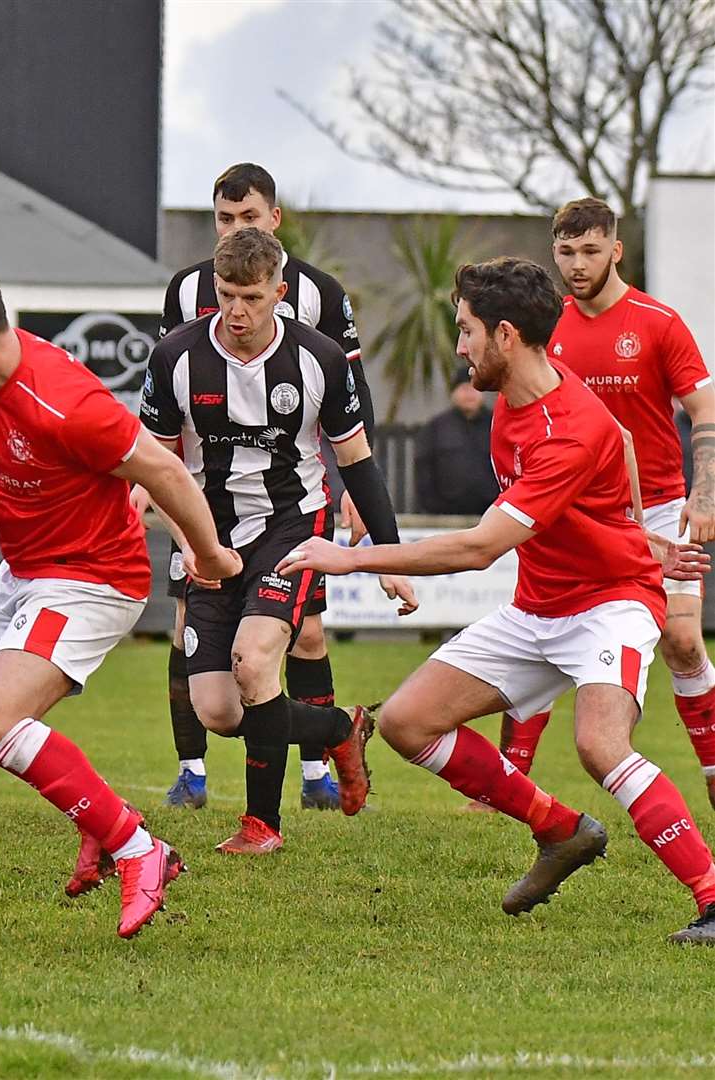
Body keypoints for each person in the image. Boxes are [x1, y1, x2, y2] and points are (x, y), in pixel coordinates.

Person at [279, 256, 715, 945]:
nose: (458, 348)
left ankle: (711, 897)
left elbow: (478, 548)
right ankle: (557, 829)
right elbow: (624, 443)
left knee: (599, 745)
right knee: (406, 722)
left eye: (465, 331)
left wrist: (351, 557)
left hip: (609, 605)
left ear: (505, 335)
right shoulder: (526, 395)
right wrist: (637, 532)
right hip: (537, 605)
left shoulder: (563, 428)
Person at [0, 249, 243, 939]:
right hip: (23, 570)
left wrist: (208, 555)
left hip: (93, 576)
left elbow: (166, 471)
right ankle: (101, 816)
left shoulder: (65, 400)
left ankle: (140, 851)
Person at [139, 227, 415, 855]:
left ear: (279, 294)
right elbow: (158, 469)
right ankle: (340, 727)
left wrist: (390, 559)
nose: (238, 312)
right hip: (208, 531)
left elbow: (359, 464)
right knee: (219, 710)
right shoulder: (175, 359)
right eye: (228, 295)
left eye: (253, 299)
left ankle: (261, 826)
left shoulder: (317, 359)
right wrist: (190, 545)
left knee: (256, 660)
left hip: (292, 526)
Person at [478, 198, 715, 811]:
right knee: (545, 619)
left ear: (616, 250)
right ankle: (507, 779)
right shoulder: (543, 327)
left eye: (590, 251)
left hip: (661, 507)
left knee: (684, 641)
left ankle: (713, 776)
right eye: (565, 251)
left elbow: (703, 411)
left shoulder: (657, 322)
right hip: (574, 506)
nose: (577, 265)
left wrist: (704, 488)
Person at [156, 163, 379, 813]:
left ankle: (315, 774)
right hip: (205, 503)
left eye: (248, 218)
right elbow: (166, 391)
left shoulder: (318, 293)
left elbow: (348, 398)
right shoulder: (185, 290)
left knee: (303, 638)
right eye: (224, 220)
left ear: (273, 220)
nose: (234, 230)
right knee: (185, 632)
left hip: (288, 502)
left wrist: (352, 487)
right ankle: (190, 770)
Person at [415, 370, 498, 515]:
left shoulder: (497, 424)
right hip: (445, 514)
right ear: (453, 393)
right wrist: (432, 507)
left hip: (492, 513)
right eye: (464, 389)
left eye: (475, 389)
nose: (470, 394)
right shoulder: (436, 427)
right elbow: (424, 469)